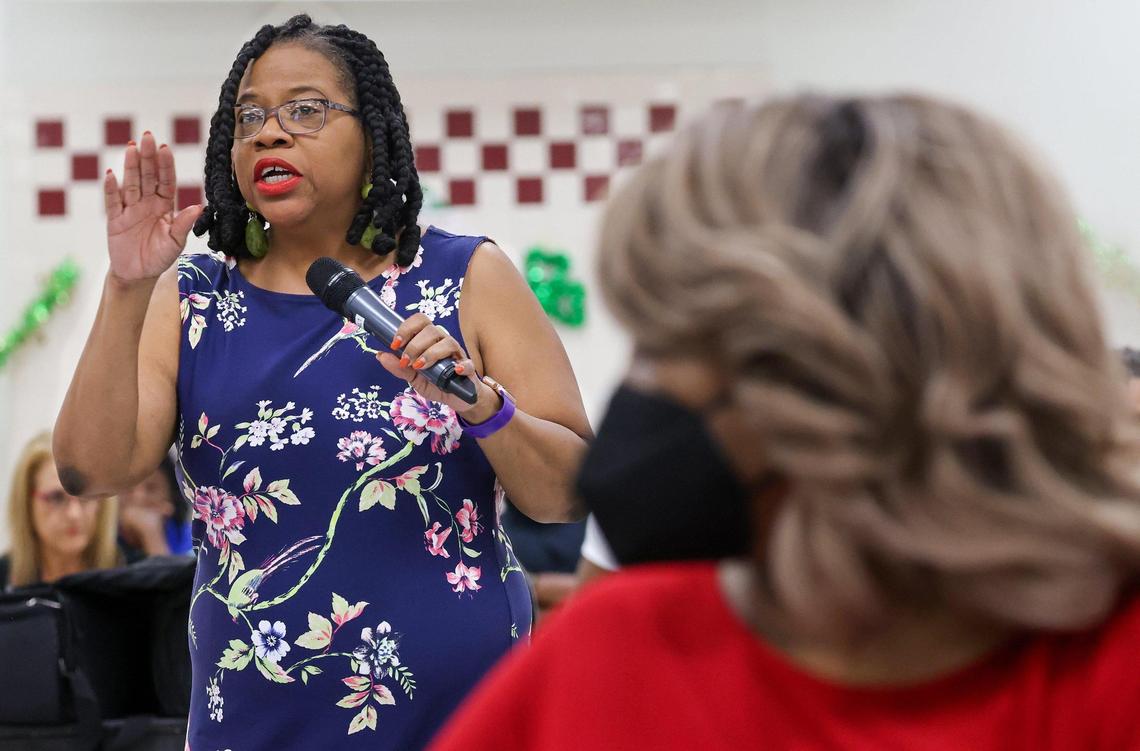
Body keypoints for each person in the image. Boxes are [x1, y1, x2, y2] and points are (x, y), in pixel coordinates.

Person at [429, 95, 1140, 750]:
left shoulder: (1105, 671)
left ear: (860, 376)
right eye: (650, 338)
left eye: (694, 343)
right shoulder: (614, 650)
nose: (644, 387)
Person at [53, 14, 590, 750]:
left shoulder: (466, 277)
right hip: (255, 721)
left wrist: (481, 403)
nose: (270, 133)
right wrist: (126, 287)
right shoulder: (192, 301)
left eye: (305, 109)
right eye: (250, 117)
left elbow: (564, 492)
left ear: (371, 133)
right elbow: (90, 468)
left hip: (466, 719)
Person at [1, 432, 121, 590]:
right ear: (26, 503)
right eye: (56, 498)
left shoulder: (126, 574)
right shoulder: (4, 578)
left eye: (86, 496)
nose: (74, 514)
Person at [117, 454, 194, 560]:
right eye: (129, 488)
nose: (139, 497)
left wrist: (152, 534)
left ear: (171, 497)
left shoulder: (193, 541)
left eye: (151, 488)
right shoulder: (94, 538)